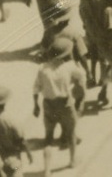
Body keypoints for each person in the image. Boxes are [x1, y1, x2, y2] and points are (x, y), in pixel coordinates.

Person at [32, 36, 85, 175]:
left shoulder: (42, 69)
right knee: (71, 134)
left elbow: (36, 89)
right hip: (65, 104)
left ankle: (47, 170)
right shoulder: (69, 67)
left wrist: (36, 106)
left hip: (48, 105)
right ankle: (73, 161)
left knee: (48, 138)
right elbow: (81, 77)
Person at [0, 85, 32, 175]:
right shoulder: (12, 119)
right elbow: (21, 141)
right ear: (6, 101)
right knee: (17, 169)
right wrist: (29, 154)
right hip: (12, 161)